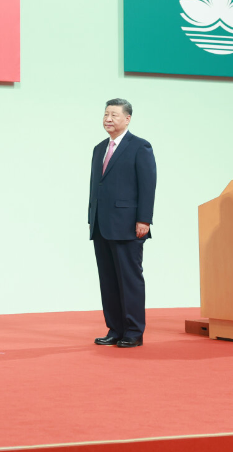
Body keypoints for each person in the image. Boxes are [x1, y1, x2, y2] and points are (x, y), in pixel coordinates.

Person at [88, 98, 156, 348]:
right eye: (106, 114)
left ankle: (134, 332)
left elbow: (148, 185)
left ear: (127, 119)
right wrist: (92, 217)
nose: (108, 119)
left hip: (128, 225)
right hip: (101, 224)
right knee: (108, 281)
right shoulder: (99, 149)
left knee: (129, 280)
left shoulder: (140, 147)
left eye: (114, 115)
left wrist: (144, 219)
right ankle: (115, 329)